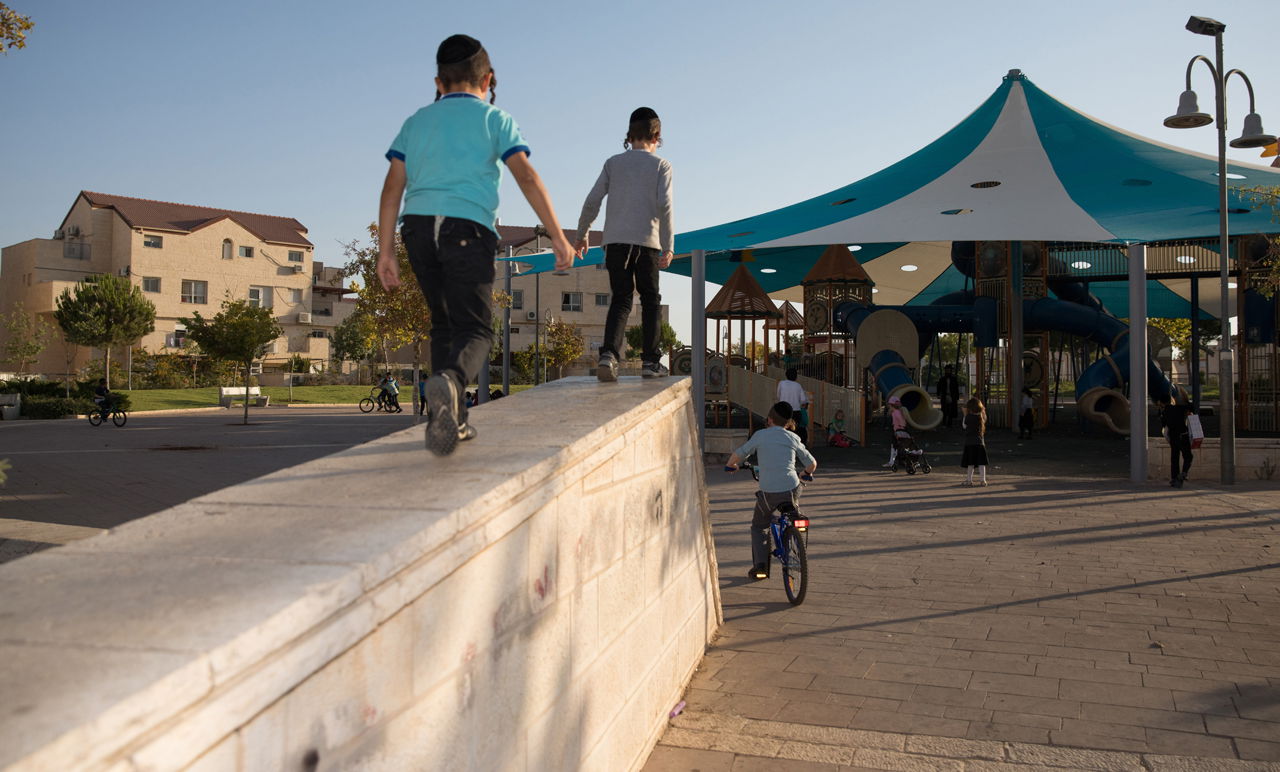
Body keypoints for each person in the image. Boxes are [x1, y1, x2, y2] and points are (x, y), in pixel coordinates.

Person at [378, 34, 574, 456]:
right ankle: (449, 385)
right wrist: (558, 235)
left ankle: (449, 420)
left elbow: (393, 186)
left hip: (416, 228)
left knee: (443, 324)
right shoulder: (494, 119)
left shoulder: (416, 121)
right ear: (489, 79)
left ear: (438, 81)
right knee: (477, 329)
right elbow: (526, 176)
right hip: (467, 228)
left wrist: (386, 251)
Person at [574, 107, 675, 381]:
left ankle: (609, 355)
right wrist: (669, 244)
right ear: (657, 135)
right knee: (651, 300)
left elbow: (592, 200)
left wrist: (582, 233)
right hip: (647, 244)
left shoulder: (613, 163)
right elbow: (665, 205)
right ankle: (651, 362)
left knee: (621, 299)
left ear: (629, 136)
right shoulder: (661, 166)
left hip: (615, 244)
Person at [725, 401, 817, 580]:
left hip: (769, 493)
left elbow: (740, 453)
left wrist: (731, 465)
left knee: (759, 526)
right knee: (791, 501)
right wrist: (805, 473)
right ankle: (794, 518)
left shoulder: (760, 436)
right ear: (788, 422)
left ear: (769, 419)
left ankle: (760, 567)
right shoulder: (792, 437)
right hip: (791, 487)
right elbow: (812, 464)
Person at [1159, 392, 1195, 488]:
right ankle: (1184, 473)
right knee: (1188, 456)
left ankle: (1174, 479)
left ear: (1162, 403)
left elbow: (1164, 427)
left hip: (1173, 437)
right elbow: (1192, 407)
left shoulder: (1164, 412)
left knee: (1174, 458)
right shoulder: (1181, 408)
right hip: (1183, 435)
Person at [961, 396, 989, 487]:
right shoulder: (980, 417)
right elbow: (985, 419)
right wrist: (983, 411)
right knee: (981, 463)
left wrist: (964, 414)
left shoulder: (968, 417)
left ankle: (969, 480)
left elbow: (964, 426)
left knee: (970, 463)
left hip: (969, 444)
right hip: (980, 443)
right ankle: (983, 480)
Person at [776, 368, 809, 445]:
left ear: (786, 375)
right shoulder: (798, 385)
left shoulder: (781, 383)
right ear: (796, 376)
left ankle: (783, 446)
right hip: (796, 411)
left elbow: (778, 395)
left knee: (783, 429)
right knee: (794, 430)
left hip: (783, 410)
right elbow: (803, 399)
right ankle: (794, 447)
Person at [883, 395, 907, 468]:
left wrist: (899, 429)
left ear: (891, 405)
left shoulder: (895, 413)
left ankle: (892, 462)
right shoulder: (898, 412)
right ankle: (896, 461)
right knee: (897, 447)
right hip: (899, 432)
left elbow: (902, 422)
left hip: (897, 432)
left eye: (889, 405)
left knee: (894, 447)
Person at [937, 364, 960, 429]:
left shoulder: (954, 379)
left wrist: (957, 396)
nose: (948, 371)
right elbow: (938, 387)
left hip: (952, 396)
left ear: (951, 371)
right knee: (944, 409)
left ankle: (950, 423)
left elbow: (956, 388)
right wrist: (938, 394)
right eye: (947, 370)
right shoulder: (942, 379)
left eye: (949, 370)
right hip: (945, 396)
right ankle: (944, 423)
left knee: (951, 410)